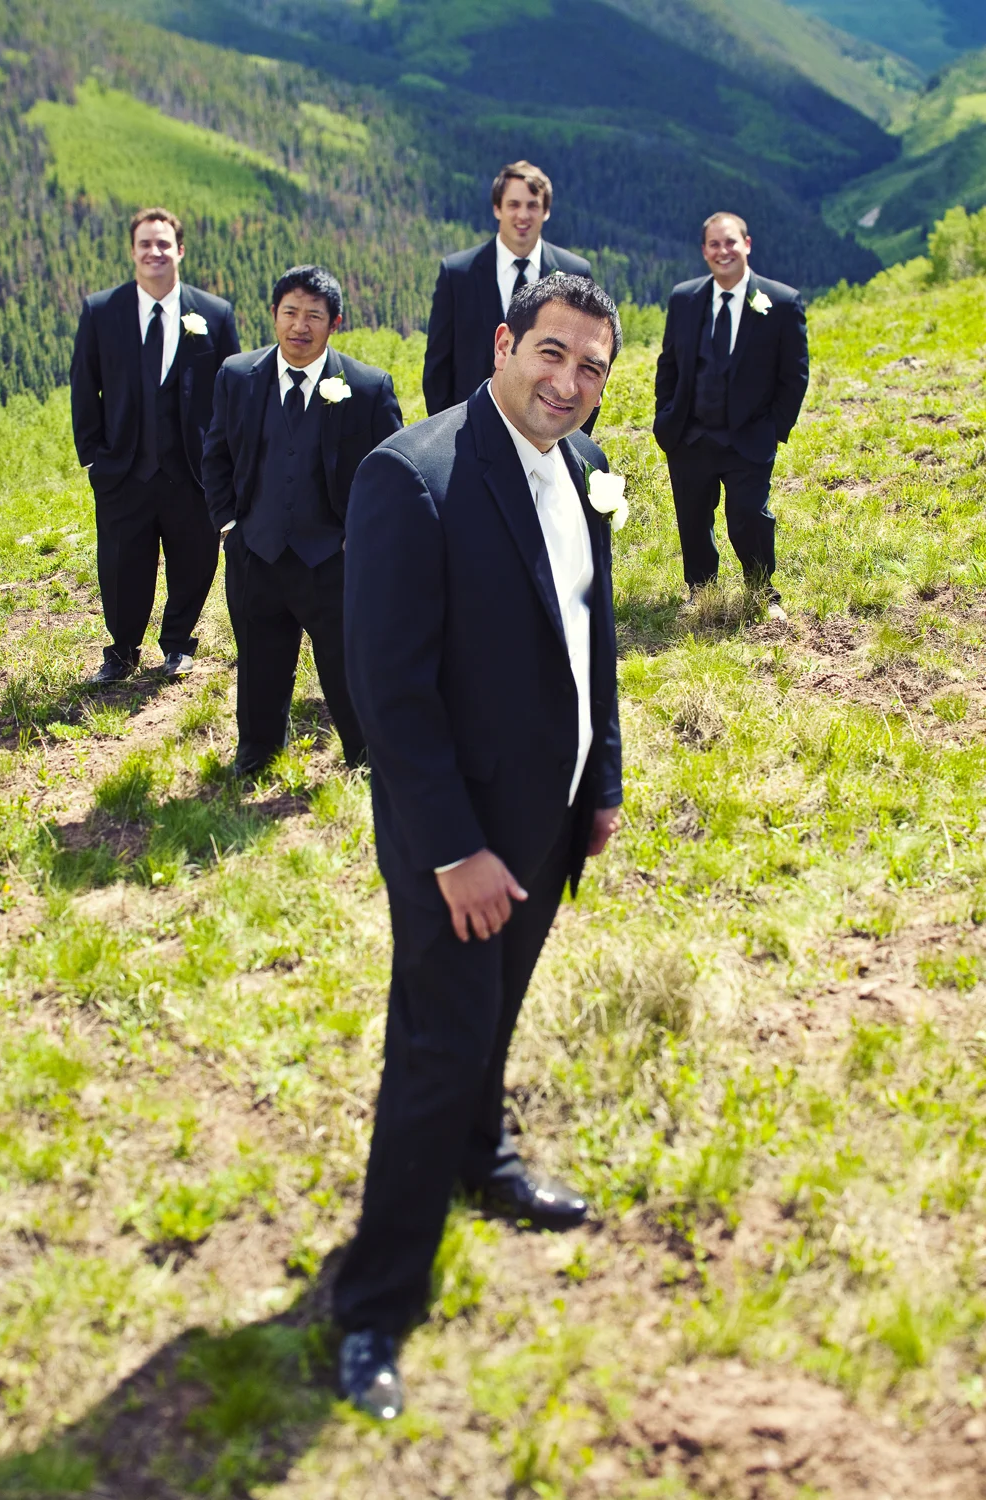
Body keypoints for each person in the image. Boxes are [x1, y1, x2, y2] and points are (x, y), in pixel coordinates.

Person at [335, 275, 624, 1418]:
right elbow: (389, 692)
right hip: (454, 835)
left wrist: (600, 784)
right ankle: (374, 1304)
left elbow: (591, 639)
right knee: (437, 1047)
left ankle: (482, 1161)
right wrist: (454, 850)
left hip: (549, 816)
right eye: (551, 353)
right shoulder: (412, 475)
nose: (568, 382)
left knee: (496, 1011)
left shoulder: (588, 467)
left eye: (591, 366)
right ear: (504, 343)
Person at [201, 265, 402, 776]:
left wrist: (360, 540)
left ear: (335, 323)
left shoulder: (367, 387)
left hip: (333, 559)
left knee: (347, 663)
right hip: (255, 552)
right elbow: (216, 453)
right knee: (259, 661)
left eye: (314, 315)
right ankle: (258, 752)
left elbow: (389, 475)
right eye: (290, 312)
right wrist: (229, 526)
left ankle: (364, 756)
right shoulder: (237, 376)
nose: (299, 325)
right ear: (273, 315)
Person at [70, 208, 240, 683]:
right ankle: (122, 651)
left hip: (193, 470)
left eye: (163, 243)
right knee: (121, 564)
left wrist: (224, 460)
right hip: (123, 469)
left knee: (195, 559)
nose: (154, 251)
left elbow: (232, 392)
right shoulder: (101, 311)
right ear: (133, 251)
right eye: (145, 243)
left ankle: (179, 644)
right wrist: (94, 458)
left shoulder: (214, 313)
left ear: (179, 250)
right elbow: (84, 386)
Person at [654, 211, 809, 620]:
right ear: (704, 251)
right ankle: (700, 592)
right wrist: (665, 416)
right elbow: (669, 364)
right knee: (692, 518)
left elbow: (794, 375)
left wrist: (774, 429)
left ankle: (761, 593)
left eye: (730, 242)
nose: (723, 251)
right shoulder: (684, 299)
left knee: (749, 517)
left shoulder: (781, 302)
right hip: (690, 435)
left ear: (747, 245)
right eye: (714, 244)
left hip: (749, 436)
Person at [422, 160, 592, 418]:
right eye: (513, 204)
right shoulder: (457, 274)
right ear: (497, 209)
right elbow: (438, 368)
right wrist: (448, 431)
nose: (523, 215)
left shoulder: (575, 272)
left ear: (546, 211)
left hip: (550, 425)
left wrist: (573, 435)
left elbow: (589, 363)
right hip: (470, 424)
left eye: (532, 205)